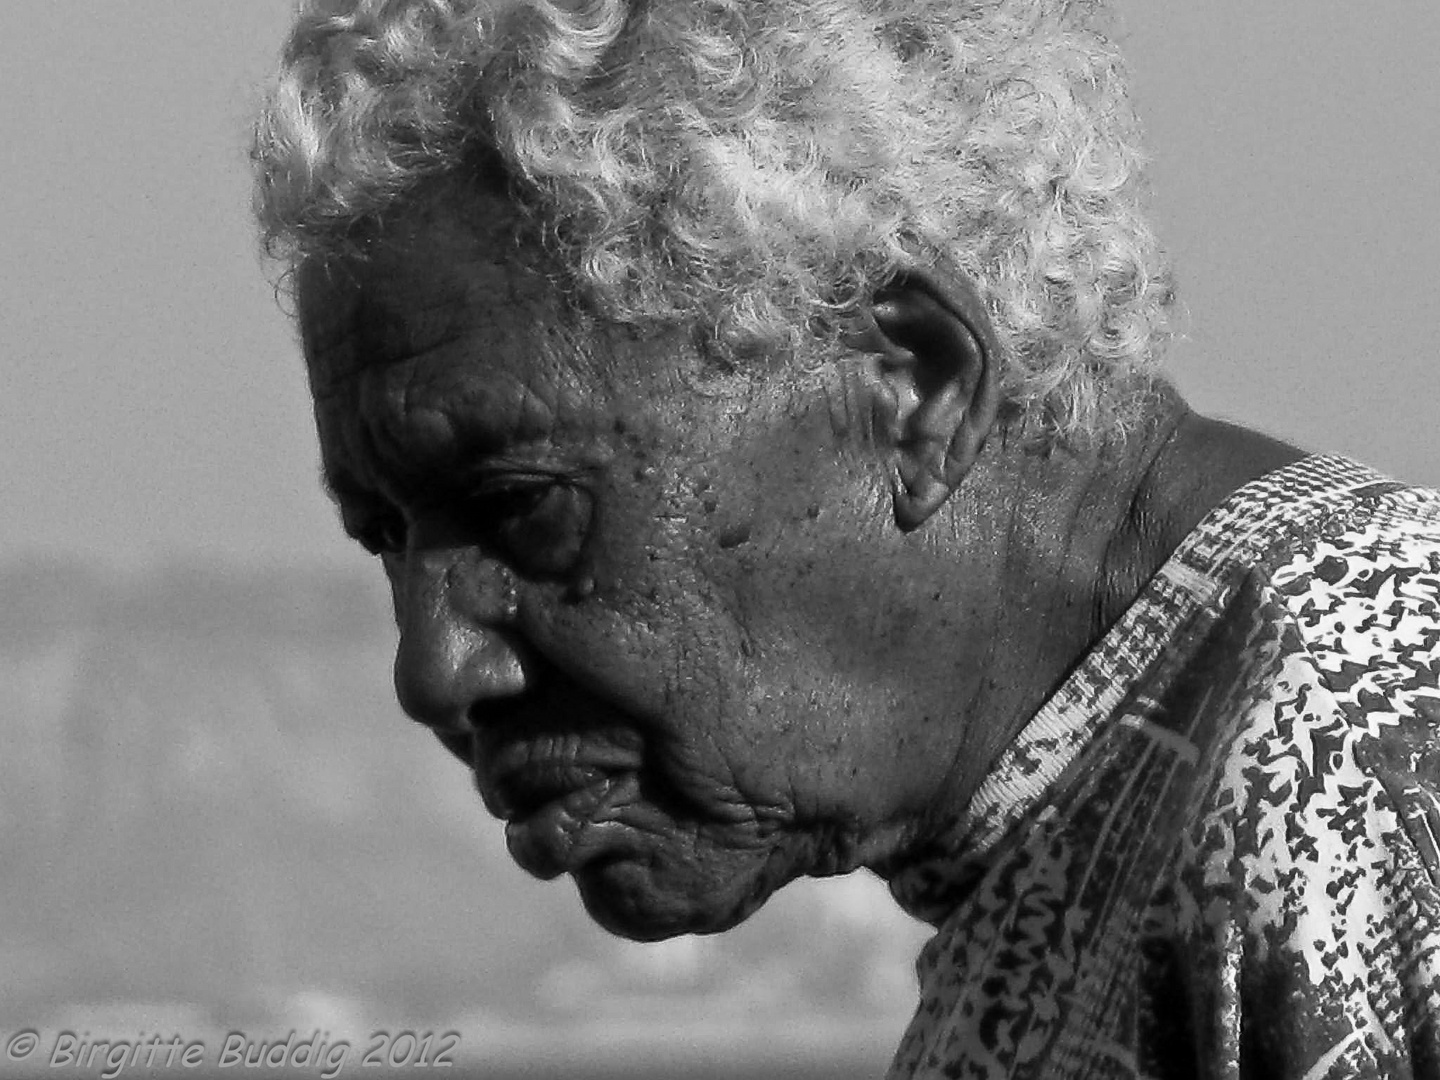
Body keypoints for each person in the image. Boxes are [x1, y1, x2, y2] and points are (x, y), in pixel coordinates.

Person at [252, 0, 1440, 1075]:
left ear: (916, 387)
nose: (434, 670)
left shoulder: (1367, 762)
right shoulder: (1044, 880)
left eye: (522, 506)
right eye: (386, 538)